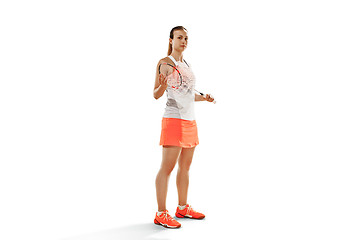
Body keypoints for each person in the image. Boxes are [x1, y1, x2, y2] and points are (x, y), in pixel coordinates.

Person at [153, 26, 215, 228]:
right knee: (167, 168)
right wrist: (163, 85)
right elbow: (156, 93)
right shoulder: (165, 63)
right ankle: (161, 213)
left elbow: (186, 94)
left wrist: (203, 99)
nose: (184, 41)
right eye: (180, 37)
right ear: (171, 40)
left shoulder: (185, 63)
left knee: (185, 167)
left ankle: (182, 207)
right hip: (174, 120)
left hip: (190, 120)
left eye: (186, 38)